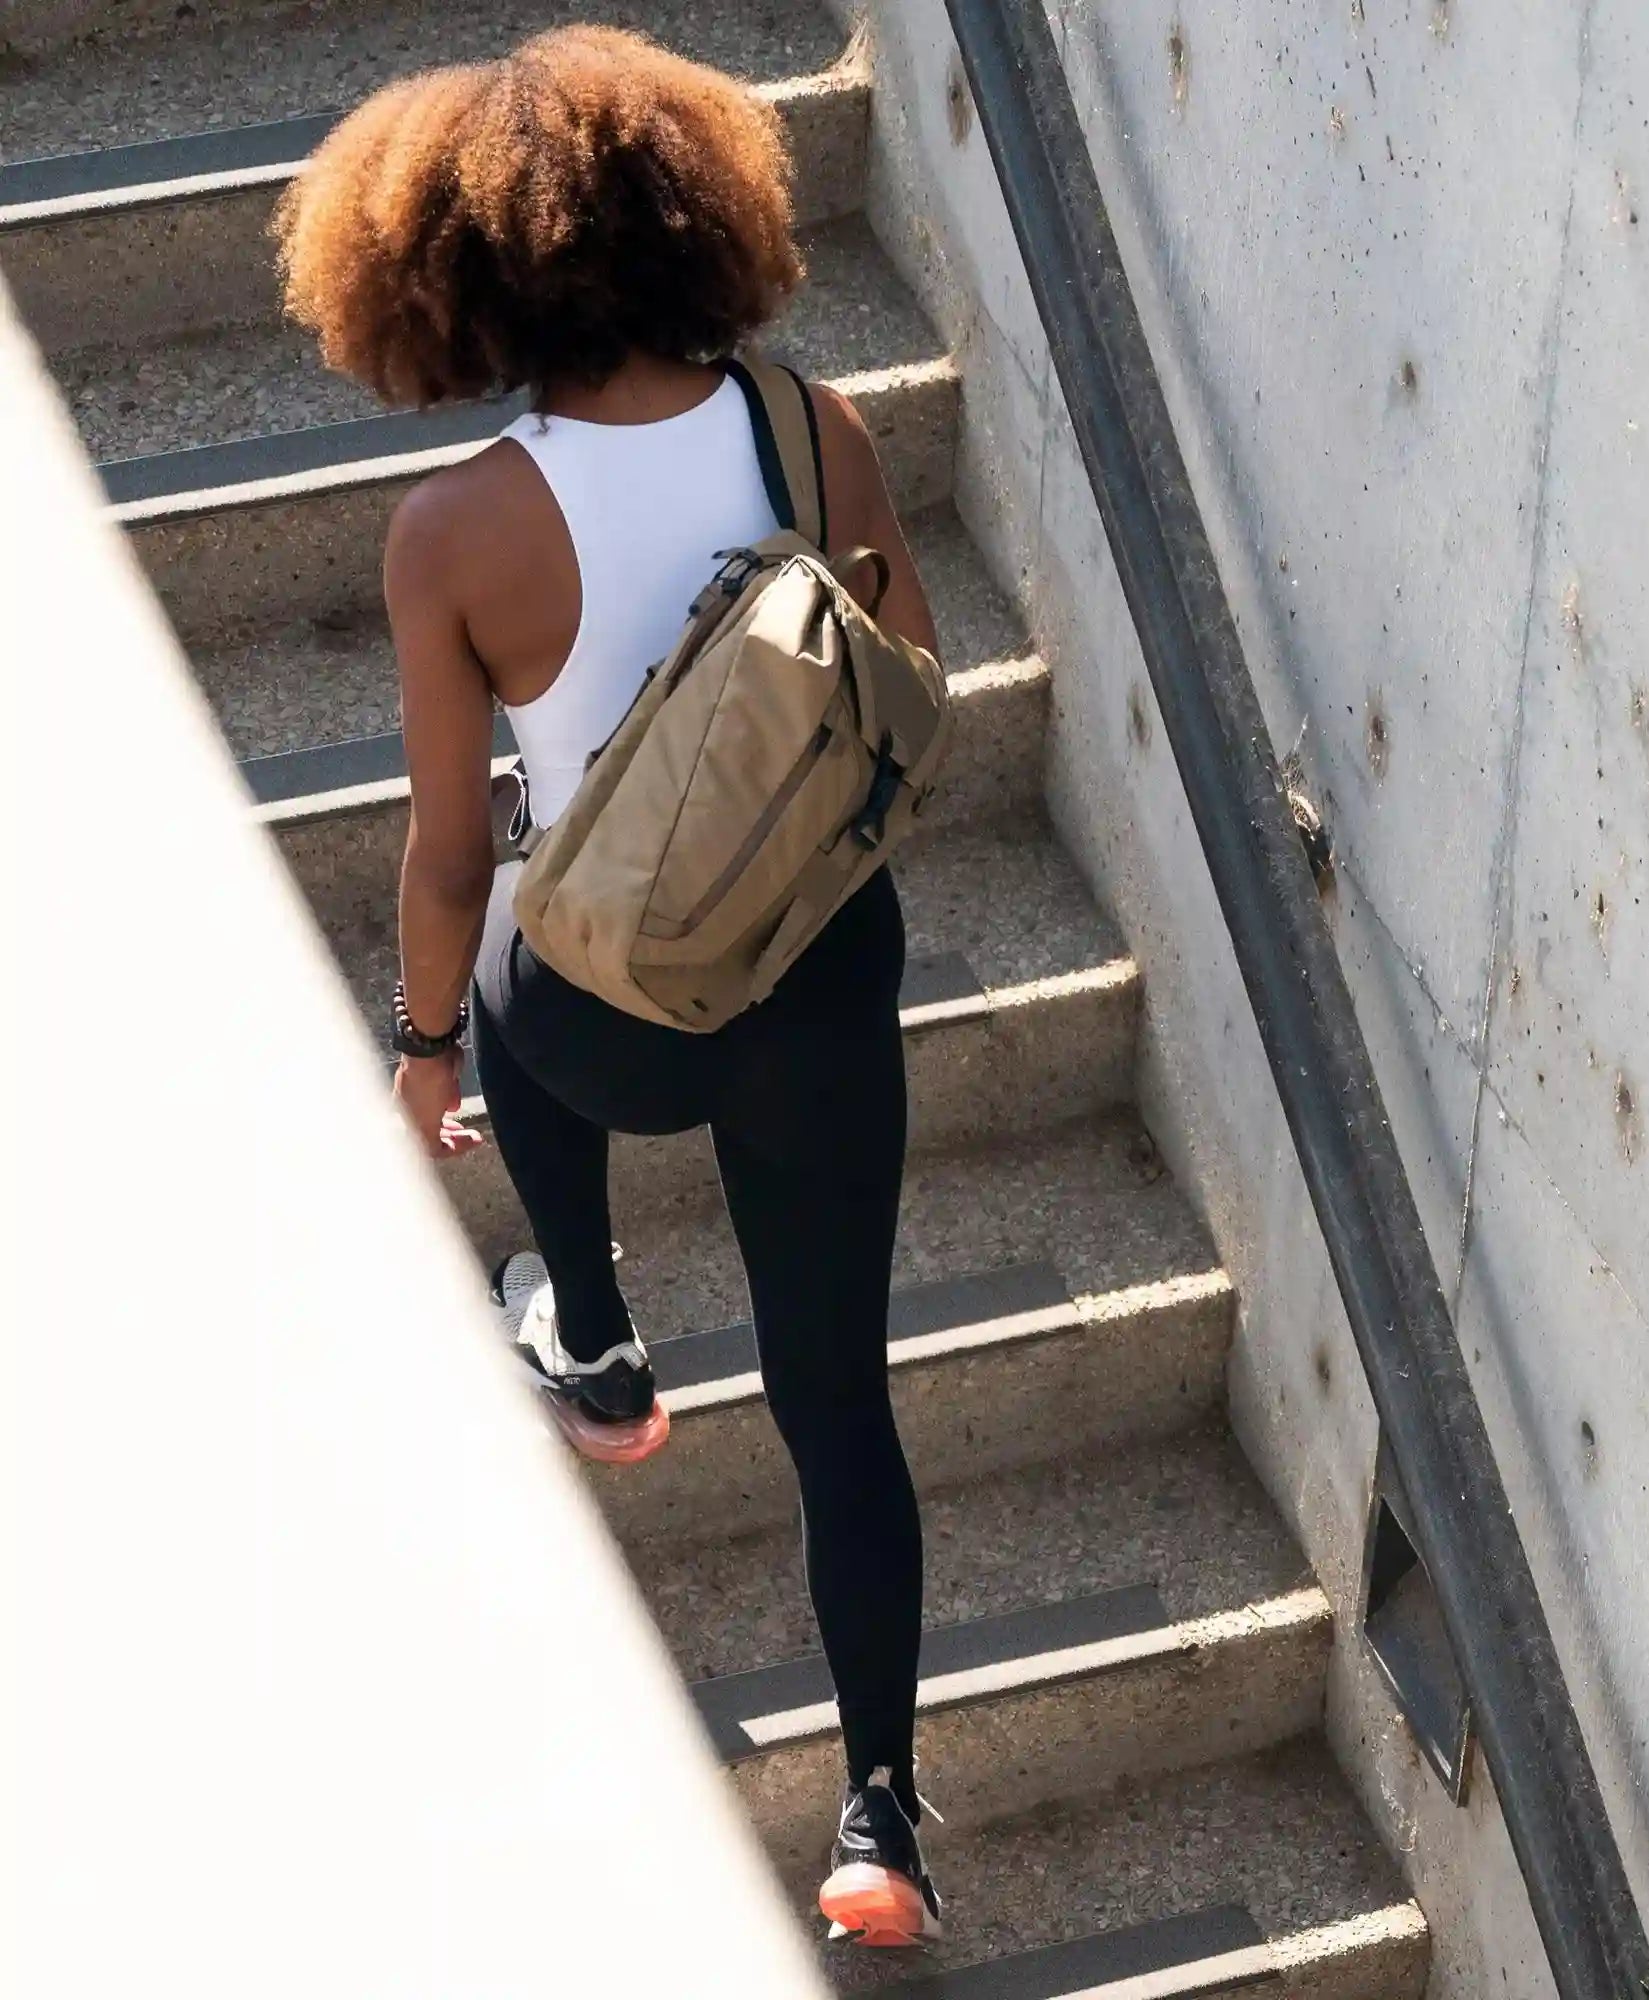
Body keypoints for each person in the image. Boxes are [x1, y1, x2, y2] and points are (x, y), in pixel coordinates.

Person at [276, 26, 941, 1949]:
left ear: (448, 279)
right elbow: (905, 685)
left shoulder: (457, 527)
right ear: (694, 218)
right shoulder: (819, 428)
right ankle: (881, 1831)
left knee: (495, 926)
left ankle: (590, 1324)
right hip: (819, 990)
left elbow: (445, 854)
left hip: (610, 1032)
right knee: (842, 1406)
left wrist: (418, 1061)